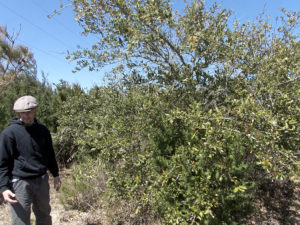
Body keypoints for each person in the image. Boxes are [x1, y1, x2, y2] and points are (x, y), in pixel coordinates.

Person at [0, 95, 61, 225]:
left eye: (29, 112)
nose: (26, 116)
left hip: (41, 180)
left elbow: (50, 154)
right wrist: (4, 187)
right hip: (20, 182)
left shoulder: (43, 130)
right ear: (18, 113)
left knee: (44, 216)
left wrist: (55, 174)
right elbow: (3, 162)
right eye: (22, 113)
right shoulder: (9, 133)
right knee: (20, 221)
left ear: (35, 111)